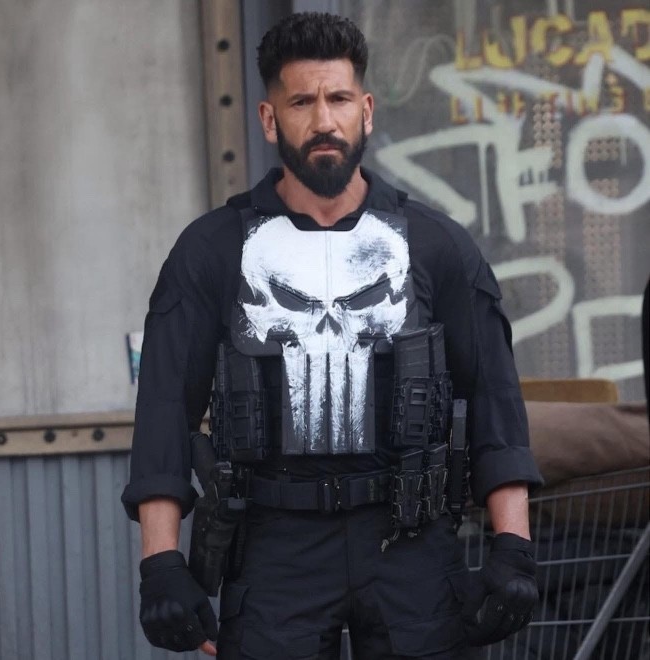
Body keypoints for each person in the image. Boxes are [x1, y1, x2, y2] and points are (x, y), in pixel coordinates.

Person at [122, 12, 543, 660]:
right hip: (273, 546)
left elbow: (495, 399)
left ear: (366, 111)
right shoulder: (212, 251)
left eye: (339, 98)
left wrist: (513, 547)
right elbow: (163, 411)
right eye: (302, 102)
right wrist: (160, 563)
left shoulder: (436, 246)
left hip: (410, 543)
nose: (324, 120)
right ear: (269, 119)